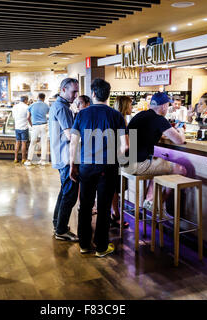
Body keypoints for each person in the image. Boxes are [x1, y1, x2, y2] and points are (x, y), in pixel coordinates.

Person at [69, 79, 128, 257]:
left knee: (85, 205)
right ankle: (102, 247)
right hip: (108, 166)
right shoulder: (117, 115)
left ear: (93, 94)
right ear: (108, 95)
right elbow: (126, 146)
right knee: (103, 207)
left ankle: (84, 244)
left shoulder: (81, 114)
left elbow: (73, 143)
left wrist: (72, 164)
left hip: (86, 166)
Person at [125, 92, 187, 211]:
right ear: (164, 106)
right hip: (139, 164)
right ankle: (158, 205)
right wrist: (181, 131)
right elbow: (179, 140)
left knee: (160, 168)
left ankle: (150, 201)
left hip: (126, 162)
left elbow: (146, 133)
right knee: (181, 170)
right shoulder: (159, 119)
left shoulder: (140, 115)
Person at [49, 78, 80, 241]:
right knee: (69, 194)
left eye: (77, 91)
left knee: (64, 192)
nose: (76, 95)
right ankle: (61, 230)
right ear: (63, 90)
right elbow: (70, 135)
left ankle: (58, 224)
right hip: (66, 157)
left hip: (61, 156)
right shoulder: (62, 108)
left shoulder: (59, 106)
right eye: (73, 91)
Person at [111, 95, 133, 228]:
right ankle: (116, 214)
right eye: (130, 105)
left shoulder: (115, 117)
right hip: (117, 159)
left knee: (115, 188)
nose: (132, 107)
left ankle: (115, 213)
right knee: (115, 188)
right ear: (125, 106)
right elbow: (126, 145)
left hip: (112, 157)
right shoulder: (120, 119)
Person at [24, 93, 49, 166]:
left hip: (35, 126)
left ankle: (29, 160)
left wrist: (32, 125)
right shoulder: (46, 105)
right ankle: (43, 160)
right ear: (44, 98)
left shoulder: (31, 105)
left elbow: (28, 117)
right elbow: (49, 114)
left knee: (32, 143)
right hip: (44, 125)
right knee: (44, 143)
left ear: (37, 97)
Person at [12, 96, 30, 164]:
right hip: (24, 127)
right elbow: (28, 117)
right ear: (25, 100)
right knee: (23, 143)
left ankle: (15, 158)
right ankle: (23, 159)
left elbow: (13, 116)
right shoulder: (27, 107)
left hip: (17, 127)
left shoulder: (15, 106)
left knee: (17, 142)